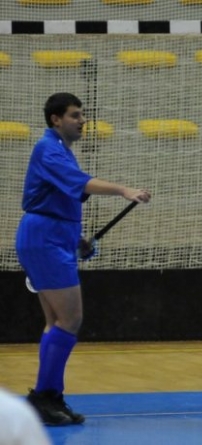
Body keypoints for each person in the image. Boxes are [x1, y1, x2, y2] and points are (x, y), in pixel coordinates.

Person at [15, 92, 152, 426]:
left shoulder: (61, 151)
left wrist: (76, 240)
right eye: (75, 115)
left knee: (56, 323)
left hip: (53, 237)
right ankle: (45, 397)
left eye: (83, 115)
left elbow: (61, 199)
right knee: (71, 319)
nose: (82, 121)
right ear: (56, 120)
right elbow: (81, 184)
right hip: (44, 238)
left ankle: (47, 398)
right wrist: (123, 190)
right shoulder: (47, 148)